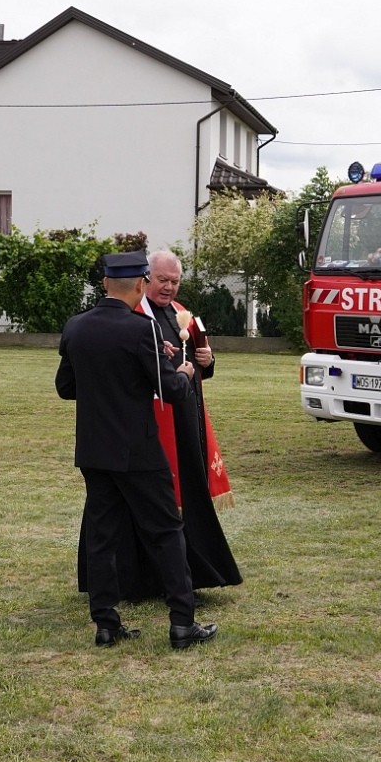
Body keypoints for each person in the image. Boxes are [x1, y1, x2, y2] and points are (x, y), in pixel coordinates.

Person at [55, 251, 217, 650]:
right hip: (139, 452)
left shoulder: (76, 327)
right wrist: (183, 371)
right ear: (141, 284)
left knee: (101, 536)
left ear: (105, 283)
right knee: (166, 531)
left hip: (94, 450)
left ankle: (106, 624)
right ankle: (182, 624)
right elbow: (170, 390)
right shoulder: (140, 329)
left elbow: (66, 388)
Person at [117, 249, 241, 598]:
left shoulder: (181, 314)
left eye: (175, 282)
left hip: (188, 417)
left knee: (189, 491)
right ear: (146, 279)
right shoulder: (136, 315)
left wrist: (207, 359)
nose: (169, 288)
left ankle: (194, 571)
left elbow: (198, 360)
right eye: (162, 281)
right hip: (155, 422)